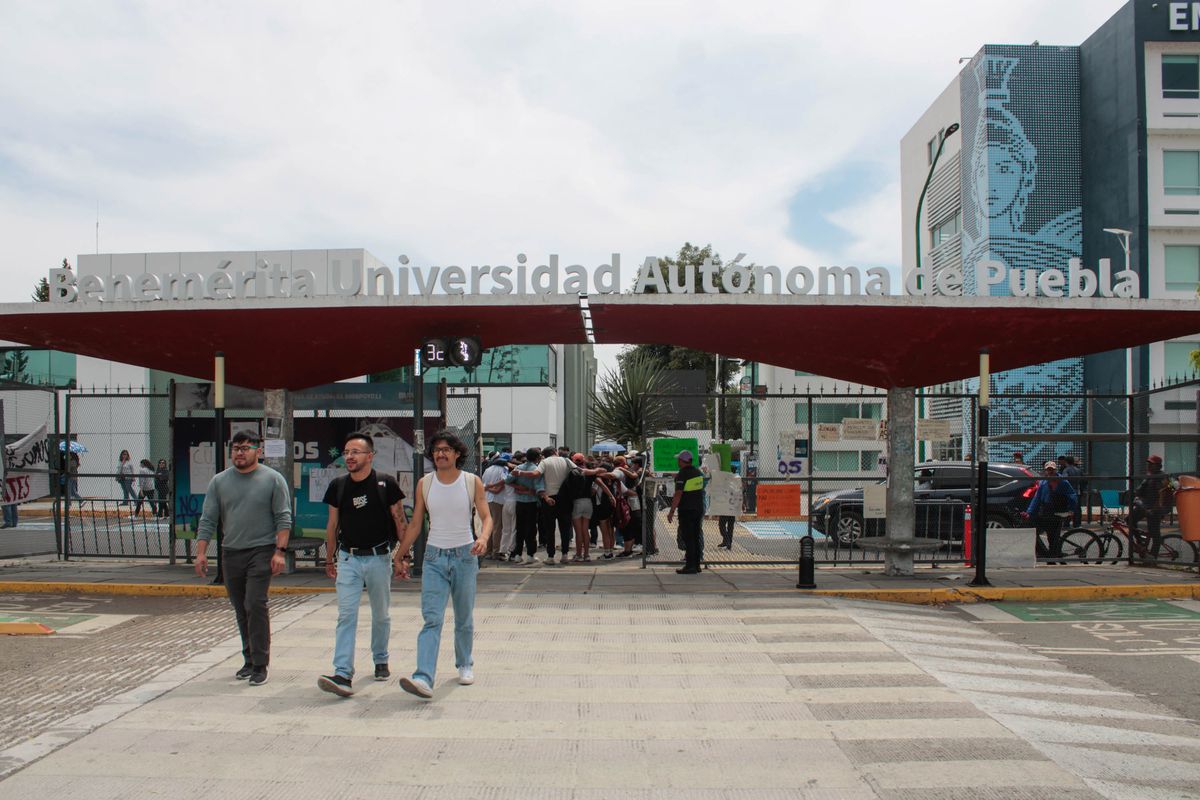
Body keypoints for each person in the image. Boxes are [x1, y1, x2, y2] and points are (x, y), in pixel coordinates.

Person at [395, 430, 491, 700]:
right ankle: (423, 677)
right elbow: (416, 524)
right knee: (432, 619)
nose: (440, 453)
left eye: (446, 449)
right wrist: (400, 553)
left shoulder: (472, 482)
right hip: (434, 557)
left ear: (457, 453)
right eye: (436, 449)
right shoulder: (425, 483)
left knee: (464, 618)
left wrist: (483, 537)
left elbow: (486, 515)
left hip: (464, 555)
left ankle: (464, 664)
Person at [194, 431, 292, 687]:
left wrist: (279, 552)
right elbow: (208, 519)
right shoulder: (219, 481)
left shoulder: (273, 479)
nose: (240, 452)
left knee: (255, 603)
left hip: (262, 550)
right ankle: (248, 658)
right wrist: (202, 552)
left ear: (258, 451)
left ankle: (261, 664)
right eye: (236, 448)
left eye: (246, 448)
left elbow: (283, 517)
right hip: (231, 552)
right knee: (240, 607)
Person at [317, 432, 408, 698]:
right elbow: (332, 524)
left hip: (379, 558)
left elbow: (399, 520)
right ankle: (343, 672)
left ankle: (381, 657)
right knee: (346, 616)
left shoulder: (385, 484)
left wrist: (404, 556)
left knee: (381, 614)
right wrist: (330, 556)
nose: (349, 457)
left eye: (355, 452)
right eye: (346, 452)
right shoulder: (338, 486)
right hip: (348, 559)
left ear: (370, 456)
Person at [1022, 460, 1078, 563]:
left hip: (1057, 512)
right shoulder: (1043, 483)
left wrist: (1071, 510)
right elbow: (1037, 499)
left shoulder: (1063, 482)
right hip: (1046, 511)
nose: (1050, 472)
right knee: (1034, 532)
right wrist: (1029, 512)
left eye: (1052, 470)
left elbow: (1072, 496)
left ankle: (1051, 557)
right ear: (1046, 471)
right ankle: (1048, 555)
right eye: (1048, 470)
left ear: (1055, 470)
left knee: (1052, 537)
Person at [667, 450, 706, 575]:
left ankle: (690, 566)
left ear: (682, 461)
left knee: (688, 538)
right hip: (698, 508)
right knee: (696, 537)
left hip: (687, 510)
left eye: (678, 459)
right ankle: (696, 565)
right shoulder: (697, 472)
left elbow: (678, 494)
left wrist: (671, 511)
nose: (677, 461)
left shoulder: (682, 474)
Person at [1130, 455, 1173, 559]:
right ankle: (1140, 542)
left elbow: (1162, 493)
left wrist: (1155, 509)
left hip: (1154, 508)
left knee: (1154, 533)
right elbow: (1142, 490)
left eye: (1151, 464)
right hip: (1145, 506)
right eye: (1148, 463)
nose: (1148, 466)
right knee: (1129, 520)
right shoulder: (1150, 475)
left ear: (1158, 466)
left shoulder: (1161, 477)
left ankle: (1153, 557)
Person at [506, 448, 543, 564]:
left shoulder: (518, 468)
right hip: (532, 503)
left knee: (519, 528)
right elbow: (539, 488)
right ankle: (530, 555)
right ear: (537, 458)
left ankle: (517, 554)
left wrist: (519, 488)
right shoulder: (536, 470)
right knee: (531, 529)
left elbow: (507, 480)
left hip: (519, 502)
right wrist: (528, 491)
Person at [481, 453, 512, 559]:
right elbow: (504, 481)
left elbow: (484, 484)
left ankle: (487, 551)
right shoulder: (504, 469)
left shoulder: (488, 469)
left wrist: (489, 488)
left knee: (487, 526)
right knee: (497, 527)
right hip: (498, 500)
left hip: (486, 500)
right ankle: (496, 551)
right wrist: (495, 489)